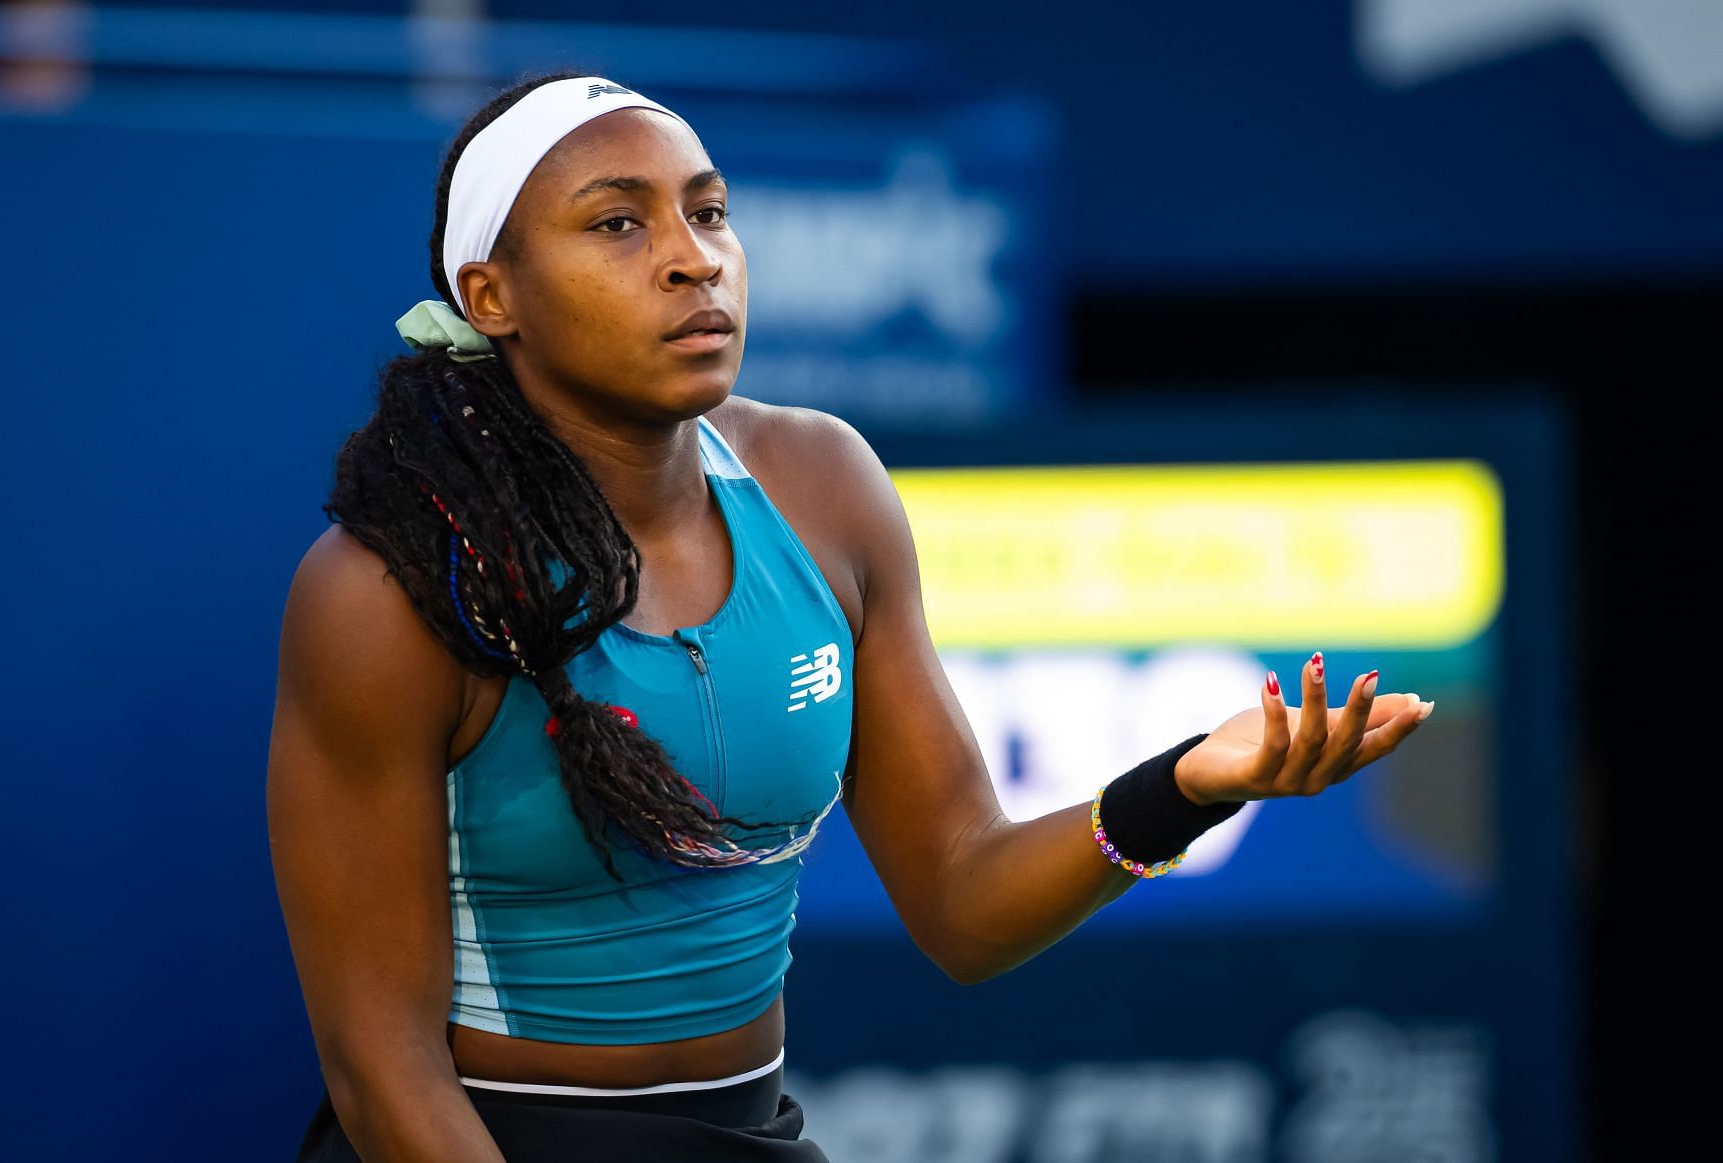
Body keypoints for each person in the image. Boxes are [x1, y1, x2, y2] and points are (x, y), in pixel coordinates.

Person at [265, 69, 1437, 1162]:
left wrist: (1185, 783)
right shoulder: (386, 590)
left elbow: (965, 901)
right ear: (491, 295)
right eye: (619, 223)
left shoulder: (825, 485)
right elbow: (385, 1068)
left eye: (709, 212)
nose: (692, 260)